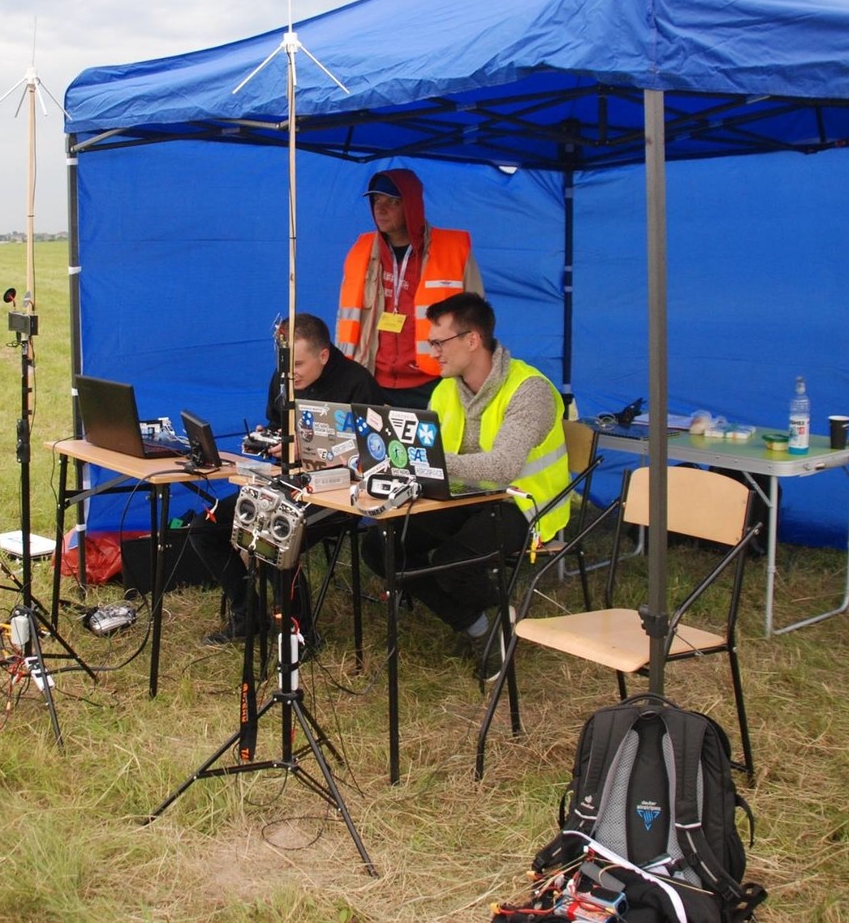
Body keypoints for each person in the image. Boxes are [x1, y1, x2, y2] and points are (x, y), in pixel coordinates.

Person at [362, 291, 571, 681]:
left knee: (451, 564)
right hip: (464, 495)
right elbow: (430, 455)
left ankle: (494, 619)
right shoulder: (445, 389)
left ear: (472, 340)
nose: (433, 352)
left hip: (525, 503)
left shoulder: (530, 390)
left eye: (439, 343)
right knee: (381, 544)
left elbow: (503, 467)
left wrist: (428, 461)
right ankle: (481, 624)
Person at [191, 313, 381, 647]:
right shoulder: (284, 376)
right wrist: (269, 439)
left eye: (299, 364)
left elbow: (374, 454)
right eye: (285, 364)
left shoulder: (357, 383)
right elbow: (278, 425)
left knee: (274, 536)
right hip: (288, 483)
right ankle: (248, 615)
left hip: (339, 494)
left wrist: (311, 452)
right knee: (204, 529)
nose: (291, 373)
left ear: (324, 355)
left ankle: (300, 635)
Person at [336, 168, 484, 409]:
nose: (380, 209)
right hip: (373, 380)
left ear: (412, 206)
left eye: (392, 202)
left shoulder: (453, 251)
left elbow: (478, 319)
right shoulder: (360, 251)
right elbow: (344, 320)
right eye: (376, 200)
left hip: (434, 381)